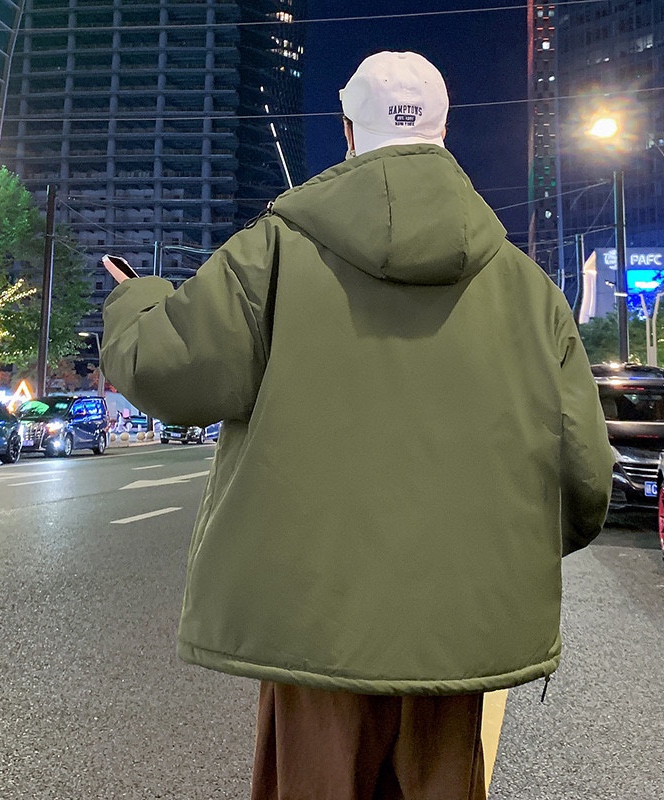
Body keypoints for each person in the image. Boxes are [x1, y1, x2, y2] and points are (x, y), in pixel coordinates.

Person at [101, 50, 612, 800]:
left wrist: (136, 299)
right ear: (445, 130)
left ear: (346, 130)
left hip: (315, 628)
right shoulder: (527, 288)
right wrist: (501, 556)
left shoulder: (274, 253)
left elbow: (167, 372)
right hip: (457, 629)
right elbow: (585, 475)